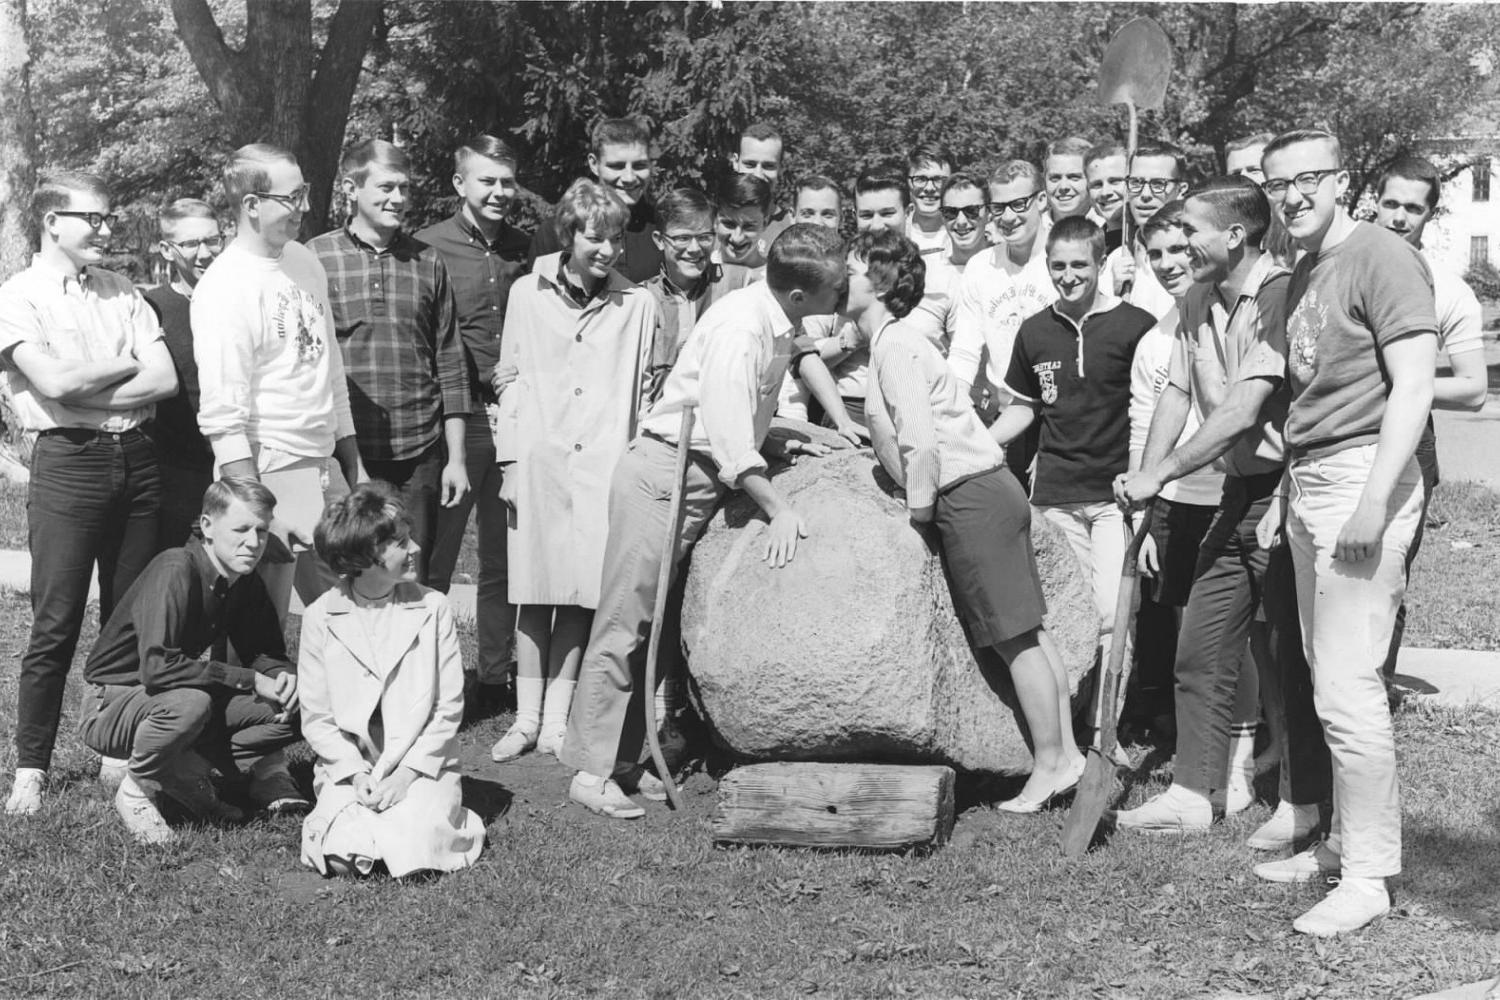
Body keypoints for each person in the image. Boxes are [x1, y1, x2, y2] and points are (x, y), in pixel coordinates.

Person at [559, 224, 847, 819]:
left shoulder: (774, 321)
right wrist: (780, 507)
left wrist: (790, 439)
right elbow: (732, 440)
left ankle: (623, 758)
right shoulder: (743, 330)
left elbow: (751, 417)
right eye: (836, 291)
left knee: (657, 631)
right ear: (799, 296)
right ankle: (589, 771)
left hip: (694, 475)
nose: (842, 299)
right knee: (625, 622)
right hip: (665, 474)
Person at [1249, 128, 1437, 937]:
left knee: (1349, 689)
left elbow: (1415, 385)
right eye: (1277, 183)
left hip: (1365, 481)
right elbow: (1307, 402)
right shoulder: (1302, 274)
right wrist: (1284, 490)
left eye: (1309, 179)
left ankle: (1369, 877)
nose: (1293, 195)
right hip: (1311, 482)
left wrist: (1371, 503)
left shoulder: (1381, 256)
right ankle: (1339, 848)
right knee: (1327, 676)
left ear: (1342, 180)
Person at [1112, 177, 1315, 838]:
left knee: (1288, 657)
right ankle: (1194, 794)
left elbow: (1242, 409)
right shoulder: (1200, 298)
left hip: (1287, 496)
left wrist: (1164, 471)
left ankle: (1301, 801)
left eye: (1191, 231)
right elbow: (1177, 394)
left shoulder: (1282, 295)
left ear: (1232, 236)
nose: (1180, 242)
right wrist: (1146, 478)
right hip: (1235, 494)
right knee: (1199, 650)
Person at [857, 227, 1085, 812]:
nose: (839, 279)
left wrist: (919, 512)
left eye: (851, 268)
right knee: (1030, 634)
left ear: (877, 282)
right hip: (989, 489)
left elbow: (920, 443)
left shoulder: (896, 346)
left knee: (1015, 639)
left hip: (969, 498)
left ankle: (1052, 763)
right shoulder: (896, 341)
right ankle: (1067, 754)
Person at [0, 171, 178, 816]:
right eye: (93, 219)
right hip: (68, 462)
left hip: (137, 460)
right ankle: (32, 768)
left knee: (127, 617)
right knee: (56, 621)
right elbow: (50, 381)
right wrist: (119, 366)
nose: (107, 230)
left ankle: (115, 750)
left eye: (109, 219)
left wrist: (86, 386)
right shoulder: (19, 295)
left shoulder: (123, 290)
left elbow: (163, 379)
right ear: (52, 222)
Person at [487, 179, 660, 763]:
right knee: (534, 592)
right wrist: (510, 460)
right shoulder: (526, 293)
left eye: (615, 239)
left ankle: (557, 720)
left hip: (603, 463)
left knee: (582, 594)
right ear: (569, 235)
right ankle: (525, 718)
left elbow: (639, 392)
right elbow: (507, 377)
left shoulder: (636, 303)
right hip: (540, 456)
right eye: (594, 238)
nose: (607, 250)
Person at [989, 216, 1157, 710]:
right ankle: (1067, 724)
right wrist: (975, 444)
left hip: (1113, 499)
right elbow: (1023, 407)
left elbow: (1151, 410)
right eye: (1058, 266)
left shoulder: (1135, 326)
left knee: (1112, 612)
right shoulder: (1035, 331)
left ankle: (1106, 726)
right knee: (1067, 615)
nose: (1069, 276)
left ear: (1101, 263)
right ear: (1047, 266)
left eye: (1079, 264)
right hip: (1055, 497)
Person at [79, 478, 305, 844]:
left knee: (307, 703)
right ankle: (138, 789)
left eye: (262, 531)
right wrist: (249, 680)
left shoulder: (242, 577)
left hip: (166, 699)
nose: (253, 542)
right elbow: (157, 668)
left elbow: (265, 652)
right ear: (207, 526)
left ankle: (181, 773)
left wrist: (282, 677)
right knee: (191, 703)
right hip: (112, 703)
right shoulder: (175, 568)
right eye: (242, 529)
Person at [192, 143, 362, 625]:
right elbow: (223, 420)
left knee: (343, 611)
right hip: (268, 469)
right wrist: (257, 512)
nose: (306, 207)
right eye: (294, 197)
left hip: (322, 464)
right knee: (260, 628)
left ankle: (332, 702)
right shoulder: (225, 288)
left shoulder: (304, 262)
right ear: (251, 205)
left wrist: (353, 470)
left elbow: (330, 374)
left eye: (305, 192)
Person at [297, 483, 484, 878]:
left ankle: (420, 820)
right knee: (340, 852)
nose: (415, 547)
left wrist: (406, 775)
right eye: (400, 543)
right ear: (365, 556)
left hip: (421, 764)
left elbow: (447, 709)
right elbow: (317, 717)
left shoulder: (433, 608)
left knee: (412, 845)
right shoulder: (321, 617)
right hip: (352, 765)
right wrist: (355, 772)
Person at [308, 139, 469, 585]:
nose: (398, 199)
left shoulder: (427, 261)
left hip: (419, 450)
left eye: (404, 188)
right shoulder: (315, 259)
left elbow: (450, 360)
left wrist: (455, 458)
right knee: (349, 574)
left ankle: (415, 654)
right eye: (385, 188)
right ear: (350, 188)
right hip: (346, 449)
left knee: (415, 573)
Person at [417, 134, 532, 699]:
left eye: (508, 181)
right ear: (460, 184)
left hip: (514, 415)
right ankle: (429, 675)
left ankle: (492, 673)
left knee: (502, 553)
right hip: (456, 420)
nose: (499, 191)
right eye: (487, 180)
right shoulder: (427, 247)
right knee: (436, 556)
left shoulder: (526, 249)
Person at [1372, 156, 1490, 681]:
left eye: (1412, 209)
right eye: (1390, 204)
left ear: (1429, 216)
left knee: (1388, 571)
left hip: (1410, 444)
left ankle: (1376, 689)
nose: (1399, 217)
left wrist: (1401, 386)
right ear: (1374, 203)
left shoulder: (1448, 288)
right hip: (1331, 438)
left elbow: (1473, 390)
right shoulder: (1342, 266)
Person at [1119, 202, 1223, 735]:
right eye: (1154, 253)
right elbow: (1144, 427)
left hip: (1229, 492)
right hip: (1175, 498)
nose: (1167, 263)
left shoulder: (1228, 317)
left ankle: (1247, 731)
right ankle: (1196, 728)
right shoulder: (1154, 340)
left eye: (1178, 249)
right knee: (1184, 623)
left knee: (1235, 626)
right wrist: (1144, 507)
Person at [948, 160, 1056, 483]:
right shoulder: (981, 267)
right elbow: (965, 352)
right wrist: (952, 415)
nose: (1008, 217)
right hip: (1005, 416)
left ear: (1040, 200)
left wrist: (1055, 444)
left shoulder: (1062, 260)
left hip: (1056, 421)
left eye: (1019, 204)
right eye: (999, 207)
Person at [144, 199, 224, 552]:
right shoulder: (151, 307)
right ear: (166, 249)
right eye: (191, 244)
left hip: (238, 462)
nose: (205, 253)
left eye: (213, 241)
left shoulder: (239, 298)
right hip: (175, 470)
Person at [531, 117, 661, 282]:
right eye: (616, 166)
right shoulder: (557, 231)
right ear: (594, 164)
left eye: (639, 166)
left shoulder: (663, 228)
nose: (629, 177)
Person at [1106, 143, 1190, 319]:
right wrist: (1112, 296)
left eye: (1158, 184)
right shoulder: (1116, 260)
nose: (1145, 194)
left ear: (1181, 190)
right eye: (1136, 182)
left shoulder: (1196, 253)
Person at [1227, 132, 1295, 267]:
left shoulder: (1295, 230)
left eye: (1254, 170)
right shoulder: (1222, 234)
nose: (1243, 178)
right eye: (1235, 173)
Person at [731, 122, 793, 253]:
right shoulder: (711, 224)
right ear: (735, 163)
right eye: (750, 164)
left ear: (780, 168)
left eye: (768, 166)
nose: (758, 174)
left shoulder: (791, 229)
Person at [715, 173, 773, 270]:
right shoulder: (696, 271)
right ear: (715, 220)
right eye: (729, 224)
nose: (737, 238)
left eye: (748, 227)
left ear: (765, 223)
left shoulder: (774, 280)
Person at [905, 143, 955, 257]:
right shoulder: (894, 234)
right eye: (920, 179)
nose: (929, 188)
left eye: (939, 179)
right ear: (908, 182)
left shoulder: (972, 236)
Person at [1085, 144, 1129, 253]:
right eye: (1097, 184)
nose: (1105, 192)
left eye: (1115, 181)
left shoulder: (1152, 242)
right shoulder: (1090, 247)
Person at [1043, 136, 1095, 224]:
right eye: (1055, 178)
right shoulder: (1031, 231)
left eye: (1073, 177)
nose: (1063, 187)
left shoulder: (1111, 228)